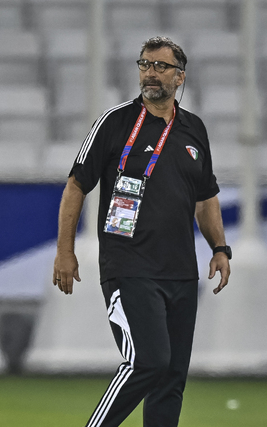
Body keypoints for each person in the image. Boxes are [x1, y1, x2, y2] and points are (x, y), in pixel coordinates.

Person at [52, 36, 231, 427]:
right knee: (147, 361)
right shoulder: (114, 122)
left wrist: (220, 247)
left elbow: (206, 197)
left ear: (180, 78)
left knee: (170, 380)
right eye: (145, 64)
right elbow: (75, 185)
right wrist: (65, 251)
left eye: (160, 66)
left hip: (181, 272)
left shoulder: (193, 129)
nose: (150, 72)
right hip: (129, 266)